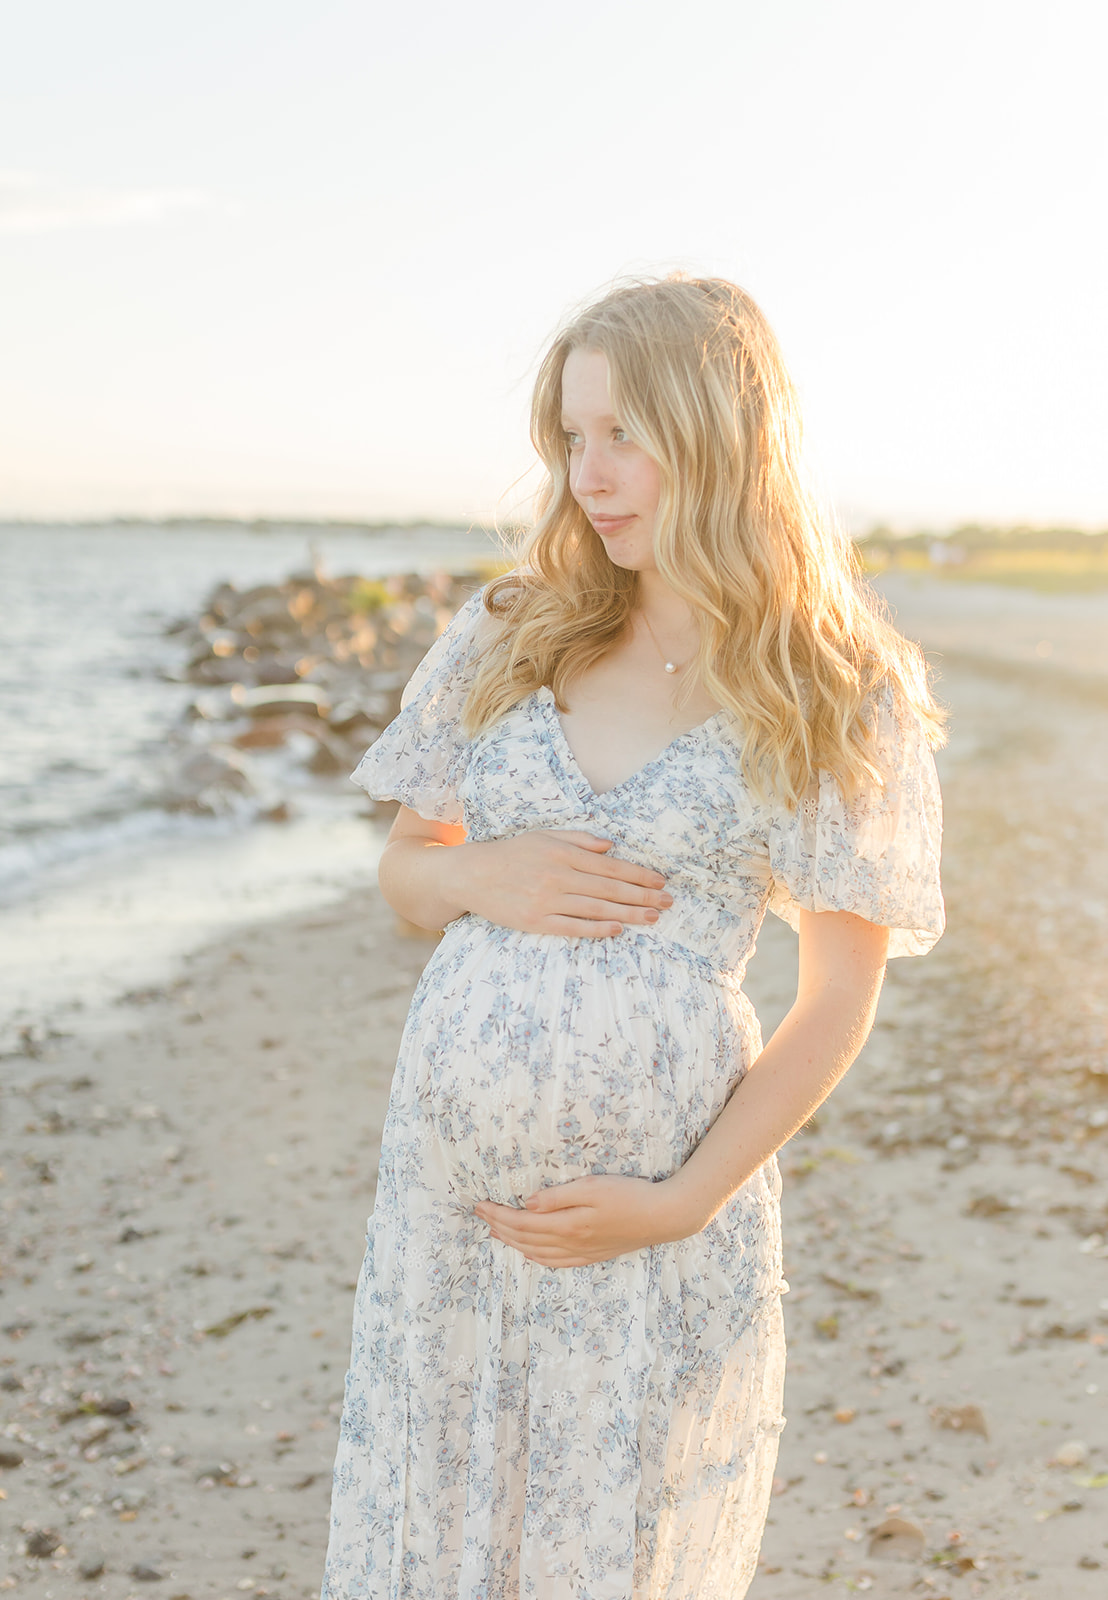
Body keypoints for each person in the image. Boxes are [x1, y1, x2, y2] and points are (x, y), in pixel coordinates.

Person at [321, 275, 944, 1600]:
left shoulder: (837, 689)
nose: (589, 476)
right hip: (451, 1223)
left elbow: (834, 1003)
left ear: (723, 435)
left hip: (656, 1225)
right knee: (432, 1543)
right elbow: (403, 877)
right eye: (570, 439)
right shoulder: (508, 631)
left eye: (623, 436)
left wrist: (681, 1201)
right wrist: (481, 873)